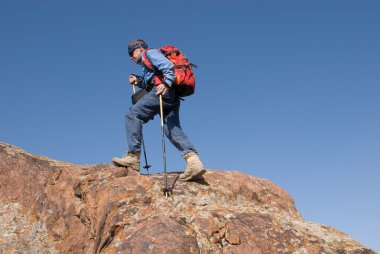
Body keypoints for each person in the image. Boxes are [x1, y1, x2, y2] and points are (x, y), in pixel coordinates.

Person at [112, 39, 206, 181]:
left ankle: (133, 156)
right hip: (173, 95)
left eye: (132, 53)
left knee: (132, 114)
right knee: (172, 129)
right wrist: (138, 81)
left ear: (139, 49)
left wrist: (167, 83)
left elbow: (168, 66)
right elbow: (150, 80)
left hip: (164, 92)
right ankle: (194, 162)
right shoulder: (148, 61)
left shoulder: (149, 53)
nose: (131, 58)